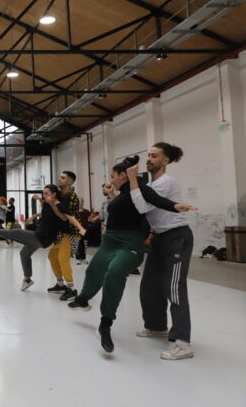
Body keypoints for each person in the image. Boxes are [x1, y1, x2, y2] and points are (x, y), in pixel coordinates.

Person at [68, 156, 195, 354]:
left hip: (130, 244)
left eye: (113, 176)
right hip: (110, 241)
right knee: (94, 270)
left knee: (114, 273)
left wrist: (174, 206)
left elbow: (156, 199)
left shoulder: (140, 187)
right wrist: (112, 195)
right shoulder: (122, 194)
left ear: (123, 176)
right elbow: (127, 209)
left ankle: (105, 323)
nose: (111, 180)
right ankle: (83, 299)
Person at [128, 143, 196, 360]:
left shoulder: (166, 182)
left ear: (165, 161)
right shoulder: (151, 183)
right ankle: (157, 326)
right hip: (159, 237)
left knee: (174, 288)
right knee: (149, 285)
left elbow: (142, 207)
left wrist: (131, 180)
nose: (149, 159)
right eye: (148, 155)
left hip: (177, 237)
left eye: (154, 156)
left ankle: (183, 342)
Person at [0, 185, 82, 291]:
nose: (44, 195)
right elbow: (46, 213)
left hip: (43, 237)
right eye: (43, 193)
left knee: (17, 233)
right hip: (39, 233)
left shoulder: (58, 204)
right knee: (24, 253)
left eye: (46, 193)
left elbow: (63, 217)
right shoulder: (48, 204)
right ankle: (27, 279)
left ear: (54, 194)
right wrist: (34, 215)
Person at [46, 171, 81, 298]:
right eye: (59, 177)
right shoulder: (60, 195)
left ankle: (71, 289)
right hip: (61, 232)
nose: (59, 179)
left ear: (70, 182)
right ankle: (60, 285)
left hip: (71, 232)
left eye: (63, 178)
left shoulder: (72, 197)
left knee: (63, 258)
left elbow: (65, 218)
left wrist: (52, 203)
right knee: (52, 255)